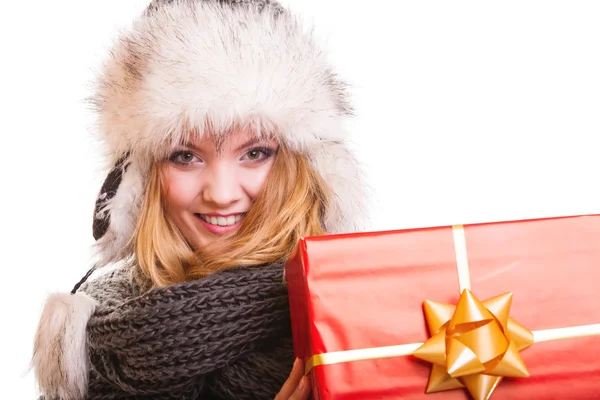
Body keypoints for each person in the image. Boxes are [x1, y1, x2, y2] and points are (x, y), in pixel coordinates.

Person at [32, 0, 369, 399]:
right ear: (136, 183)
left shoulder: (365, 319)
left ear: (302, 165)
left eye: (255, 152)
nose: (222, 194)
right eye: (185, 156)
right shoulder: (94, 346)